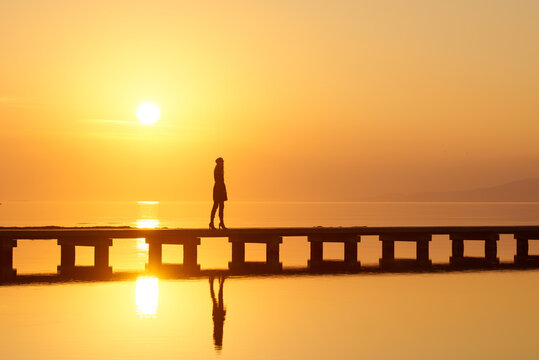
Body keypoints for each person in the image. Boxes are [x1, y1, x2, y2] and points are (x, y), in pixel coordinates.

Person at [209, 157, 227, 230]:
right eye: (221, 162)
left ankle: (221, 222)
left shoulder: (220, 169)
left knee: (221, 206)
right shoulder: (217, 169)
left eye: (222, 162)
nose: (222, 163)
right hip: (218, 189)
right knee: (216, 205)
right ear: (218, 163)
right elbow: (219, 180)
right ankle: (212, 222)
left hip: (220, 188)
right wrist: (222, 190)